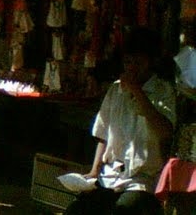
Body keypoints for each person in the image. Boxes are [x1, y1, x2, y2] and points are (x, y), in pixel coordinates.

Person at [66, 27, 175, 215]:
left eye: (138, 63)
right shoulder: (115, 90)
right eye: (128, 62)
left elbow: (165, 132)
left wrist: (138, 92)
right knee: (76, 211)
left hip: (143, 181)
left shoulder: (163, 92)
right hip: (110, 176)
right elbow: (103, 134)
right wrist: (94, 171)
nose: (132, 68)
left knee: (124, 210)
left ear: (151, 62)